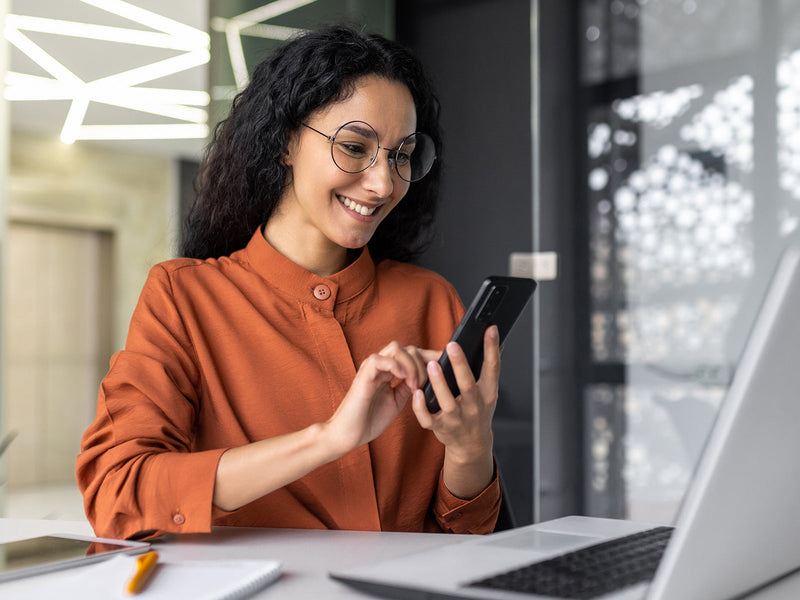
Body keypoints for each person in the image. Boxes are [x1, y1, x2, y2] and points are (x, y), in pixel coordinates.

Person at [76, 24, 501, 541]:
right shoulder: (183, 298)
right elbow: (117, 492)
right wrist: (327, 440)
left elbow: (469, 535)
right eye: (353, 146)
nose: (383, 183)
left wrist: (470, 449)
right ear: (284, 142)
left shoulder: (431, 300)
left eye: (401, 155)